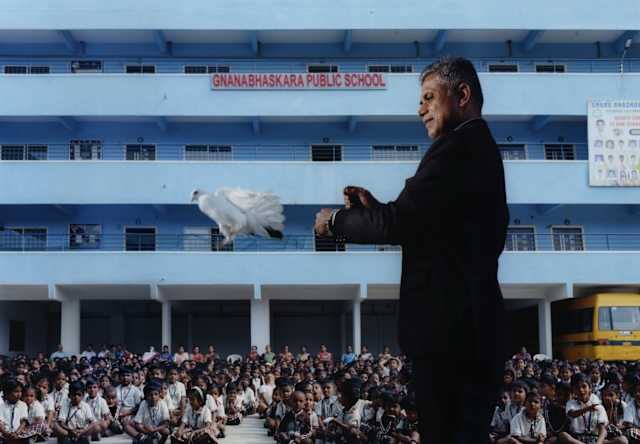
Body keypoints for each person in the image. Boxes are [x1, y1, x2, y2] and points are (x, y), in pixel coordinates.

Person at [314, 55, 509, 443]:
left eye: (429, 97)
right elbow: (425, 224)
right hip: (475, 330)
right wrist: (376, 208)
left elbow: (399, 224)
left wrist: (335, 221)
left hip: (449, 335)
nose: (420, 109)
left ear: (462, 95)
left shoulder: (453, 149)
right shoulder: (480, 148)